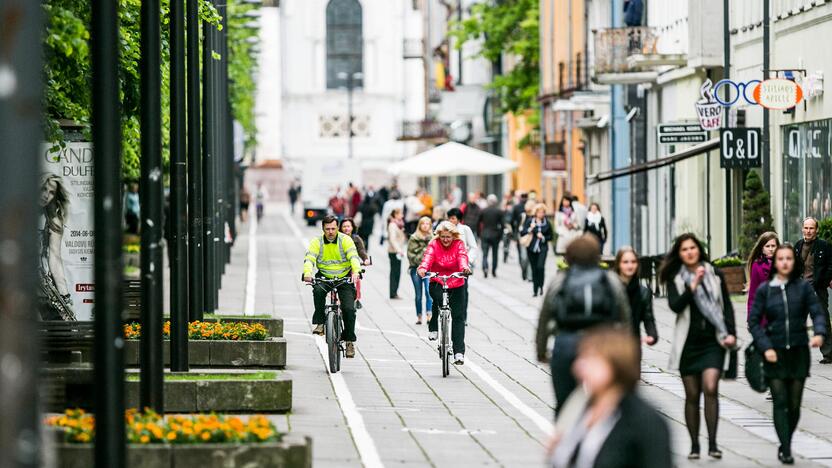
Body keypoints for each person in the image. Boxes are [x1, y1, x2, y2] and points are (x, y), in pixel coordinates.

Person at [659, 233, 736, 460]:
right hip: (688, 344)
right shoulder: (676, 277)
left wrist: (730, 333)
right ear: (679, 254)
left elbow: (727, 306)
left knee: (710, 387)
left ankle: (713, 444)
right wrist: (692, 287)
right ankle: (694, 445)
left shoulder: (714, 273)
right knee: (692, 395)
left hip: (713, 341)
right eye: (684, 249)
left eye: (693, 248)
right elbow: (675, 306)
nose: (690, 252)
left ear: (699, 250)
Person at [548, 328, 672, 468]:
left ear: (617, 365)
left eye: (592, 359)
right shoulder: (581, 406)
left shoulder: (646, 422)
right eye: (581, 358)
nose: (579, 366)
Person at [749, 244, 827, 464]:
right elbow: (754, 322)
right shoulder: (766, 290)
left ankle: (787, 438)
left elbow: (817, 313)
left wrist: (819, 332)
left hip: (799, 352)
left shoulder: (802, 288)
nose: (784, 262)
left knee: (793, 405)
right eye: (780, 259)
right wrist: (766, 347)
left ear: (794, 262)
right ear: (776, 263)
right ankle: (785, 447)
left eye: (788, 259)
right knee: (780, 401)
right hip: (774, 352)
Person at [536, 235, 630, 414]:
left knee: (565, 403)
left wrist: (541, 351)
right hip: (603, 344)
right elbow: (625, 317)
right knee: (607, 401)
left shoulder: (560, 280)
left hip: (567, 343)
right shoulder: (610, 279)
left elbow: (544, 318)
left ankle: (566, 434)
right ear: (597, 255)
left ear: (569, 257)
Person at [302, 216, 362, 358]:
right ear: (323, 229)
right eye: (327, 229)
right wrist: (307, 273)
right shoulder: (317, 242)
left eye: (333, 228)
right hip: (324, 276)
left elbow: (353, 256)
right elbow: (310, 258)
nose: (330, 231)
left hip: (344, 277)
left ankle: (349, 341)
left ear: (337, 228)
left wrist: (356, 271)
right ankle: (320, 323)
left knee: (349, 309)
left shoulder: (345, 240)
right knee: (317, 290)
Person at [417, 221, 472, 365]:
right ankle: (433, 326)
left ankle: (458, 352)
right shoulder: (434, 245)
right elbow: (428, 257)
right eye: (443, 237)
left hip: (456, 281)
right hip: (438, 279)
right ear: (438, 236)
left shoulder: (459, 244)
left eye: (449, 237)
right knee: (438, 299)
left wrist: (465, 268)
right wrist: (423, 268)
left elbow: (462, 257)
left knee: (458, 317)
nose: (446, 240)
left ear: (454, 236)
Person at [794, 217, 832, 363]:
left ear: (816, 230)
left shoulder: (824, 246)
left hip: (817, 289)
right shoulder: (797, 245)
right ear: (802, 229)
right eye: (806, 228)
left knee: (822, 320)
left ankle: (828, 353)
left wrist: (824, 280)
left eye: (811, 228)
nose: (808, 231)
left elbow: (830, 265)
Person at [39, 173, 76, 321]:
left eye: (52, 192)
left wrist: (65, 297)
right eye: (43, 189)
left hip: (42, 284)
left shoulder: (52, 218)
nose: (46, 195)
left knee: (60, 325)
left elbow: (54, 257)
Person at [613, 247, 658, 353]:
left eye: (633, 262)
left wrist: (652, 335)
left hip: (633, 345)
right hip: (612, 344)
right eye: (625, 262)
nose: (630, 265)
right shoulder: (610, 287)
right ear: (619, 264)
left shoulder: (644, 292)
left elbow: (648, 318)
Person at [446, 208, 480, 321]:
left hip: (462, 266)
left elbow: (473, 247)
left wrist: (468, 261)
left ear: (459, 219)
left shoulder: (465, 229)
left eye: (453, 218)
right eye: (449, 218)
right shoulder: (445, 229)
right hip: (448, 265)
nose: (451, 220)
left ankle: (462, 316)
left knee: (462, 291)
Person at [521, 203, 553, 297]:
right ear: (536, 212)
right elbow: (522, 232)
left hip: (543, 248)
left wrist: (543, 237)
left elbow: (551, 236)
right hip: (531, 248)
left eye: (543, 212)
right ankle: (535, 290)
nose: (541, 214)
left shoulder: (547, 223)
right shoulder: (530, 221)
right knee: (534, 268)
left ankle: (541, 286)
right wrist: (530, 229)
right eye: (539, 212)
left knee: (540, 267)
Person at [746, 231, 780, 320]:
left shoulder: (783, 263)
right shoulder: (757, 266)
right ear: (762, 248)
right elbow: (753, 294)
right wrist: (751, 317)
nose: (771, 249)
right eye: (767, 246)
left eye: (773, 246)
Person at [407, 216, 434, 324]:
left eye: (427, 224)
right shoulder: (414, 237)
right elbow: (410, 254)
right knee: (418, 294)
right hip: (416, 269)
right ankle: (419, 316)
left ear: (430, 226)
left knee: (429, 292)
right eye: (423, 223)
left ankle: (429, 314)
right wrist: (423, 254)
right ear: (419, 225)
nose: (425, 226)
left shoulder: (433, 238)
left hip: (429, 269)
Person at [340, 218, 371, 310]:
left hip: (353, 266)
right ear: (340, 228)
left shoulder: (356, 239)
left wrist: (365, 259)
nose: (346, 228)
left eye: (348, 226)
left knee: (356, 279)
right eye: (344, 226)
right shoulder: (338, 239)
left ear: (352, 227)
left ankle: (356, 298)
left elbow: (361, 250)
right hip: (340, 266)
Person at [478, 194, 504, 278]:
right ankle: (493, 270)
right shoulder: (499, 211)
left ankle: (485, 267)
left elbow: (478, 223)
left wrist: (479, 233)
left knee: (485, 253)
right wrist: (500, 234)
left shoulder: (483, 211)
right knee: (495, 254)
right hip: (495, 234)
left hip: (485, 234)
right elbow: (502, 225)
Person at [387, 209, 406, 299]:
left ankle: (394, 292)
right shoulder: (393, 225)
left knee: (397, 272)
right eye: (400, 213)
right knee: (395, 272)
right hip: (394, 252)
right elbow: (392, 239)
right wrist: (399, 250)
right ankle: (393, 292)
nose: (402, 215)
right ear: (395, 214)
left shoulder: (399, 223)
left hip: (398, 251)